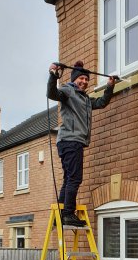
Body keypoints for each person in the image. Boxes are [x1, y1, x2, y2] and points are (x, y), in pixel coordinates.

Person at [47, 61, 116, 227]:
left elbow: (101, 103)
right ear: (75, 79)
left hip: (71, 142)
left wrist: (110, 86)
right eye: (81, 79)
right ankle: (68, 214)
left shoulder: (84, 99)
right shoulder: (68, 90)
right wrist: (53, 75)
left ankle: (61, 214)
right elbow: (52, 93)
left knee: (69, 178)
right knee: (75, 178)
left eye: (86, 79)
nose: (84, 81)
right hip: (70, 140)